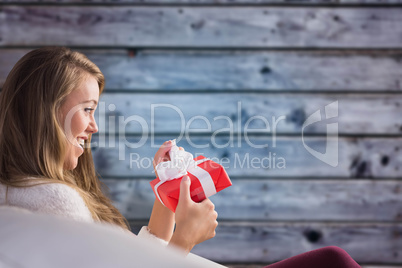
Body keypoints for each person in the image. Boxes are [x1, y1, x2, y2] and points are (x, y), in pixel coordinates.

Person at [0, 47, 361, 267]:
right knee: (334, 261)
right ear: (45, 112)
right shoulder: (54, 201)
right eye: (88, 109)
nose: (94, 126)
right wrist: (185, 239)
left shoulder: (33, 194)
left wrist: (167, 196)